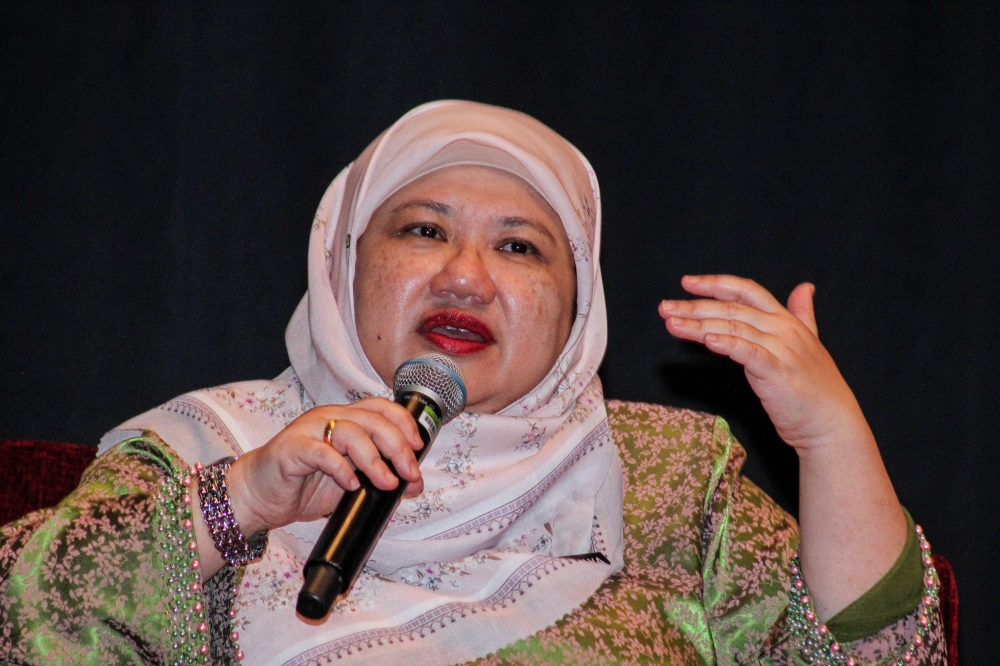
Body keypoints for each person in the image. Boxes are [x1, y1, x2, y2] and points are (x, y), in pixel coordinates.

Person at [0, 101, 945, 665]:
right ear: (342, 264)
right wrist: (241, 503)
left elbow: (877, 656)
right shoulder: (213, 450)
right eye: (421, 230)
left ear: (578, 309)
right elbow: (21, 621)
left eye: (521, 248)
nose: (465, 275)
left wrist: (830, 439)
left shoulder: (667, 477)